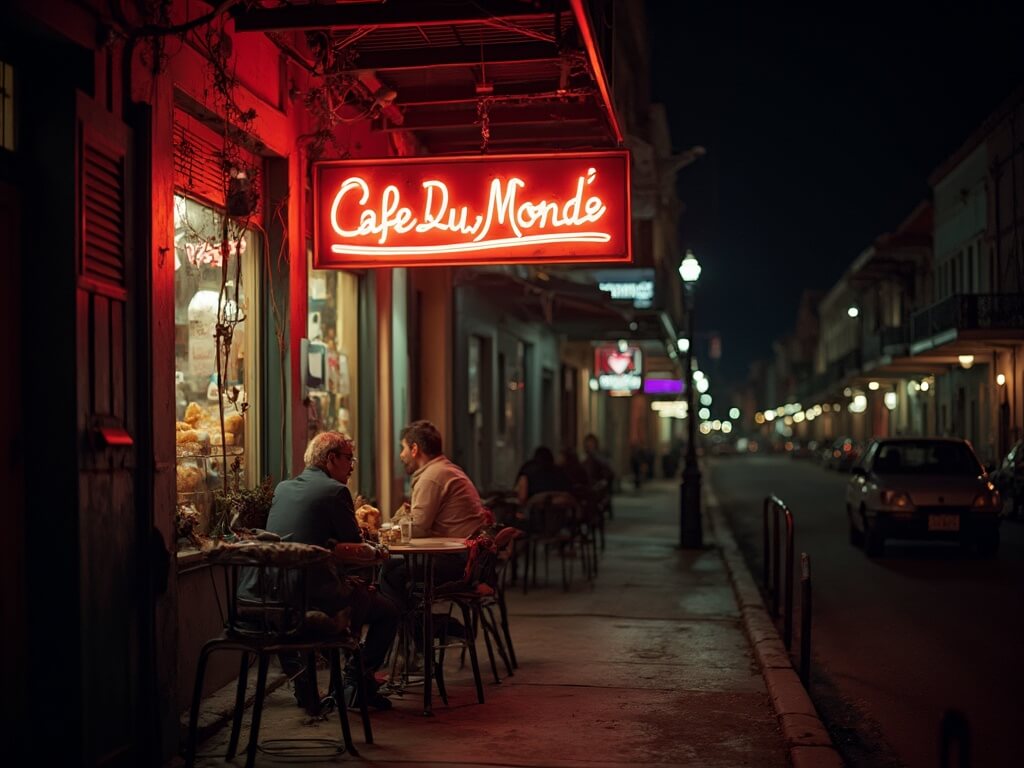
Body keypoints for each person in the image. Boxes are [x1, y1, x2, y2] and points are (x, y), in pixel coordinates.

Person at [258, 431, 399, 712]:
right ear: (331, 458)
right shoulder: (335, 491)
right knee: (388, 610)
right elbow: (357, 550)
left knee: (358, 592)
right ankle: (357, 683)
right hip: (317, 600)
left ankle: (309, 686)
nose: (352, 466)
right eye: (349, 459)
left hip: (273, 597)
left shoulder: (283, 488)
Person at [383, 420, 489, 611]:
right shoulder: (445, 469)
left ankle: (415, 629)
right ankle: (422, 628)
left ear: (414, 449)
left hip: (458, 562)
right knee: (392, 567)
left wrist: (384, 531)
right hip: (470, 561)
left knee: (389, 571)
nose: (401, 455)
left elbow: (418, 528)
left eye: (403, 448)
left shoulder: (432, 477)